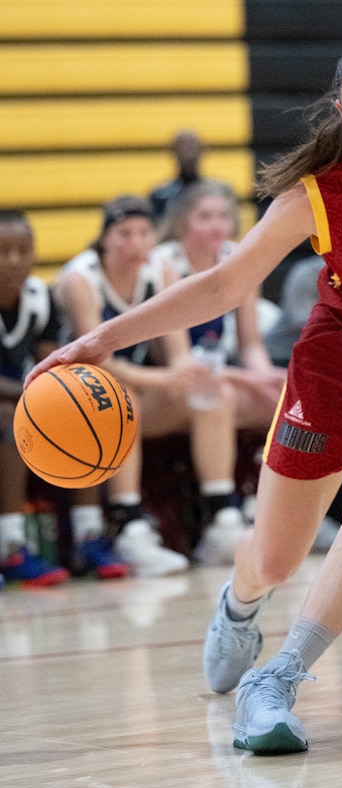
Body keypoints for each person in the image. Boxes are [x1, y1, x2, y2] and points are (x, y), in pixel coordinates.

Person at [28, 31, 342, 753]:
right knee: (276, 558)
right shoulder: (319, 195)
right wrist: (98, 340)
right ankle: (240, 603)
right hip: (340, 358)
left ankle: (281, 674)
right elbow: (225, 284)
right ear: (341, 114)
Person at [53, 196, 245, 577]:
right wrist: (165, 378)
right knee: (121, 403)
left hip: (137, 389)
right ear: (105, 239)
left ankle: (222, 521)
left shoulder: (160, 269)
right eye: (124, 233)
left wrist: (187, 373)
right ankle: (129, 528)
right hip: (72, 398)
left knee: (211, 396)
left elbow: (177, 351)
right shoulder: (81, 279)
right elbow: (96, 359)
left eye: (144, 233)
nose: (136, 242)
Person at [154, 179, 296, 563]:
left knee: (289, 401)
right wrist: (251, 378)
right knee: (219, 395)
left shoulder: (238, 256)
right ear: (183, 223)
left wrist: (270, 377)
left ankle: (276, 512)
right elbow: (181, 361)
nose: (216, 225)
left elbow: (251, 345)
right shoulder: (165, 262)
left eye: (222, 216)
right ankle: (221, 523)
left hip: (220, 373)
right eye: (204, 217)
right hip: (172, 379)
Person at [0, 209, 127, 586]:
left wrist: (58, 397)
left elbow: (50, 365)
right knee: (9, 418)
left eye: (24, 250)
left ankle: (88, 537)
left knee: (79, 411)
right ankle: (10, 546)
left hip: (15, 396)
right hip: (10, 403)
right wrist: (31, 394)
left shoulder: (41, 296)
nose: (14, 260)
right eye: (3, 251)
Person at [149, 129, 204, 220]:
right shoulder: (160, 195)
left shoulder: (218, 193)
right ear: (173, 151)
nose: (188, 154)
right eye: (183, 147)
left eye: (192, 147)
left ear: (201, 151)